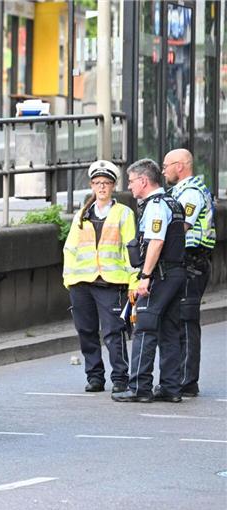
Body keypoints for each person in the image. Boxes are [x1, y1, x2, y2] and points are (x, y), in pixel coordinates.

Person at [112, 159, 187, 403]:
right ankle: (170, 387)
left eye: (131, 181)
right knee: (169, 330)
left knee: (144, 328)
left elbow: (156, 242)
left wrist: (145, 276)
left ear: (143, 181)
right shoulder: (173, 202)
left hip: (160, 275)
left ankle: (139, 387)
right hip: (176, 273)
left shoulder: (155, 205)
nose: (130, 186)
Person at [63, 160, 139, 393]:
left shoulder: (123, 214)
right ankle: (95, 376)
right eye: (97, 183)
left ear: (113, 186)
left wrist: (133, 281)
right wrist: (68, 278)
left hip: (110, 282)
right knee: (86, 331)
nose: (102, 187)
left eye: (106, 183)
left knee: (113, 332)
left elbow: (131, 249)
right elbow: (70, 248)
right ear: (92, 186)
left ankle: (119, 377)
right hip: (81, 282)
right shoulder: (83, 214)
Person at [162, 148, 217, 397]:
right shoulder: (180, 192)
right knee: (179, 320)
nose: (163, 170)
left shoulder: (191, 193)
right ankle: (179, 379)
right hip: (187, 263)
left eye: (166, 165)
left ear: (180, 166)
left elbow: (180, 226)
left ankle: (186, 381)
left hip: (192, 263)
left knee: (185, 322)